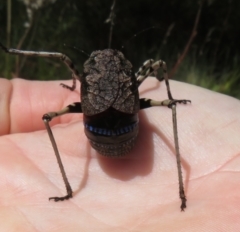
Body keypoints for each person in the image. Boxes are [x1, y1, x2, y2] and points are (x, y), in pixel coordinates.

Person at [0, 78, 240, 231]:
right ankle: (180, 192)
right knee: (169, 104)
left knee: (48, 117)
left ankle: (69, 190)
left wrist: (76, 86)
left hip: (101, 138)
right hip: (125, 137)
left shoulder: (86, 73)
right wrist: (168, 91)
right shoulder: (132, 75)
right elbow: (160, 67)